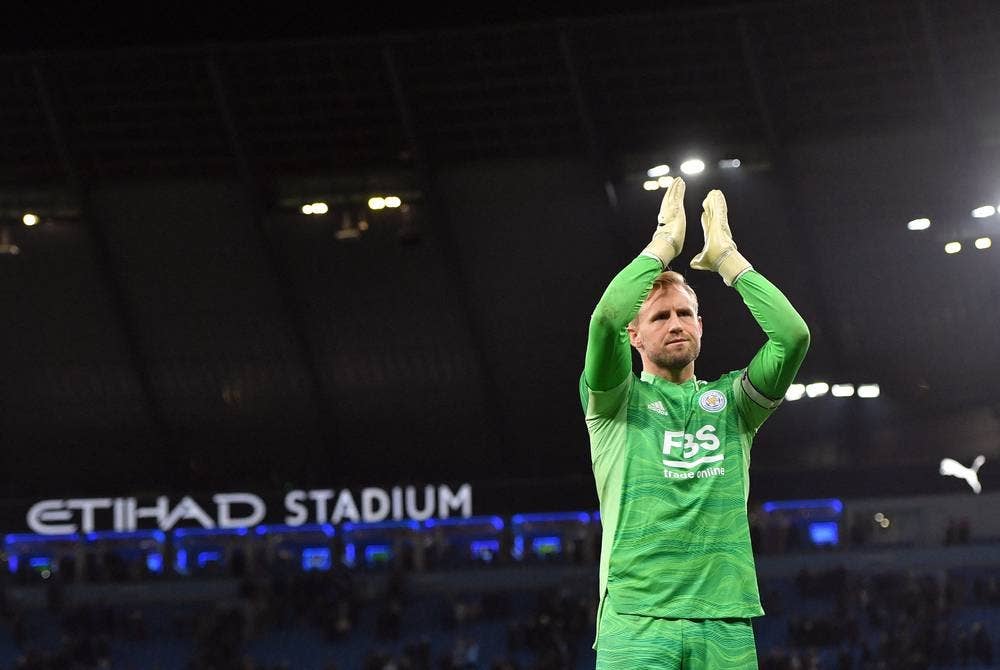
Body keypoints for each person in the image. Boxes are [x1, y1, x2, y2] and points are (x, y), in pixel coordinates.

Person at [580, 177, 809, 669]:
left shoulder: (733, 403)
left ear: (701, 325)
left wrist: (727, 259)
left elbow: (792, 336)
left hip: (724, 618)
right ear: (634, 335)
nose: (677, 323)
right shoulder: (615, 401)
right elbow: (604, 320)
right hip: (635, 619)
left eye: (686, 313)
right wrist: (663, 246)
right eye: (660, 317)